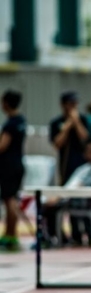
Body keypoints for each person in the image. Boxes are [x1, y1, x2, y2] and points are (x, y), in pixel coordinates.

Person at [39, 138, 91, 248]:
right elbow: (70, 185)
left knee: (50, 207)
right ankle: (57, 237)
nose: (90, 153)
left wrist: (59, 197)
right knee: (45, 207)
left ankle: (56, 237)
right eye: (88, 151)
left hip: (80, 199)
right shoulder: (82, 168)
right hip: (68, 195)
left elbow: (83, 184)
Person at [0, 90, 27, 251]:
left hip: (9, 166)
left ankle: (11, 234)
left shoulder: (10, 124)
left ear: (6, 103)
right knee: (12, 199)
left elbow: (2, 146)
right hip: (18, 164)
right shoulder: (21, 120)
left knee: (9, 200)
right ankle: (10, 233)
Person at [49, 91, 89, 185]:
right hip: (65, 163)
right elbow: (57, 144)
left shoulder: (83, 120)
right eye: (71, 103)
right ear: (63, 105)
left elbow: (85, 138)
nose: (74, 106)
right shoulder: (56, 123)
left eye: (75, 103)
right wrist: (67, 126)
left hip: (81, 162)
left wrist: (76, 122)